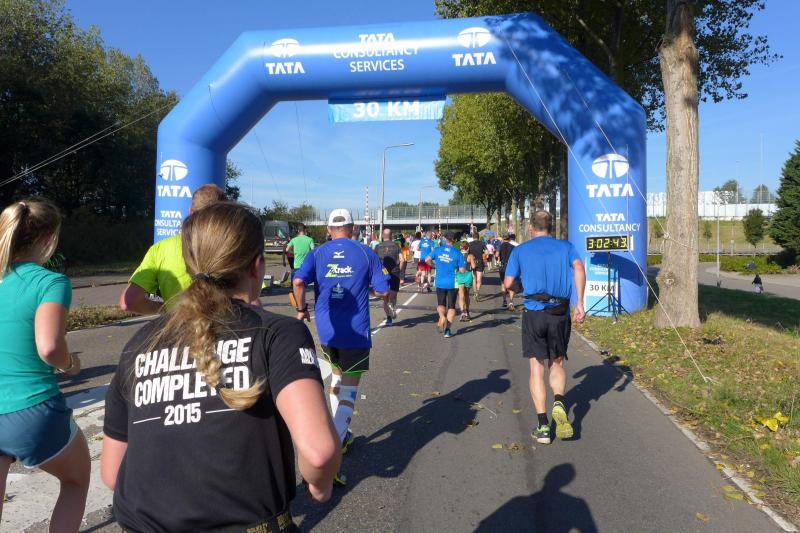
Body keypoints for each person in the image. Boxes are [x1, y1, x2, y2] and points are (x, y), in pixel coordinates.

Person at [101, 202, 340, 531]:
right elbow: (318, 453)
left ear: (189, 264)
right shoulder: (277, 334)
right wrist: (320, 485)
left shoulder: (141, 343)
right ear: (256, 265)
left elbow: (112, 473)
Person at [0, 199, 90, 531]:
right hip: (32, 411)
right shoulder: (50, 282)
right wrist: (70, 363)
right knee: (76, 480)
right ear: (49, 239)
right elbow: (49, 346)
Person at [292, 209, 389, 485]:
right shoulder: (366, 252)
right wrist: (368, 286)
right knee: (349, 391)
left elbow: (298, 281)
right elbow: (383, 290)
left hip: (327, 331)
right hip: (355, 332)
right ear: (353, 227)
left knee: (336, 378)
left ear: (328, 229)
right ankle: (330, 457)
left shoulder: (317, 253)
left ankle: (342, 436)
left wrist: (301, 309)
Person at [504, 211, 586, 446]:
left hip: (534, 313)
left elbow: (508, 283)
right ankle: (559, 401)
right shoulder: (566, 247)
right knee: (557, 363)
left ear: (531, 227)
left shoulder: (520, 250)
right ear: (552, 227)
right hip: (560, 312)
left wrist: (519, 288)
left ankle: (542, 427)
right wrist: (580, 302)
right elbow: (579, 268)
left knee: (536, 368)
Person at [119, 184, 226, 314]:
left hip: (178, 324)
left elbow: (128, 302)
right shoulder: (233, 247)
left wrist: (167, 310)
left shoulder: (160, 249)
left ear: (190, 212)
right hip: (225, 324)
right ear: (224, 216)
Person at [426, 232, 466, 338]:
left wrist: (434, 266)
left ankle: (442, 316)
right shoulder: (458, 253)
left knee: (441, 304)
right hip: (452, 282)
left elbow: (427, 259)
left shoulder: (438, 250)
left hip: (440, 282)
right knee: (451, 306)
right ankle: (447, 330)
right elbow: (462, 270)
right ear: (454, 240)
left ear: (445, 239)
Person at [375, 229, 403, 326]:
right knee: (393, 295)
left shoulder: (378, 247)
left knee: (385, 297)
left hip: (383, 273)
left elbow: (374, 261)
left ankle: (389, 318)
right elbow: (402, 260)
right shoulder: (396, 246)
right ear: (391, 236)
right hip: (395, 273)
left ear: (383, 236)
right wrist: (400, 271)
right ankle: (392, 305)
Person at [498, 232, 521, 310]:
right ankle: (511, 301)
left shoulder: (500, 246)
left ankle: (504, 300)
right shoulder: (513, 247)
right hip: (511, 266)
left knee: (503, 283)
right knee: (511, 283)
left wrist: (499, 258)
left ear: (503, 238)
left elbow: (497, 255)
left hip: (502, 266)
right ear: (509, 238)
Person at [455, 241, 476, 322]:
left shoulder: (457, 255)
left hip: (459, 275)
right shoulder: (470, 256)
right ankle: (467, 311)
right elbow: (473, 266)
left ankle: (462, 312)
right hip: (468, 275)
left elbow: (455, 265)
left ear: (461, 247)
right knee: (467, 294)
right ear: (468, 248)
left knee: (461, 295)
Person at [467, 231, 488, 301]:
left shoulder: (470, 244)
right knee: (479, 279)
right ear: (478, 237)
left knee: (474, 278)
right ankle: (477, 293)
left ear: (473, 237)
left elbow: (467, 253)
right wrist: (483, 255)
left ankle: (475, 292)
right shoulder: (482, 243)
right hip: (480, 262)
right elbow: (486, 252)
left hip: (473, 262)